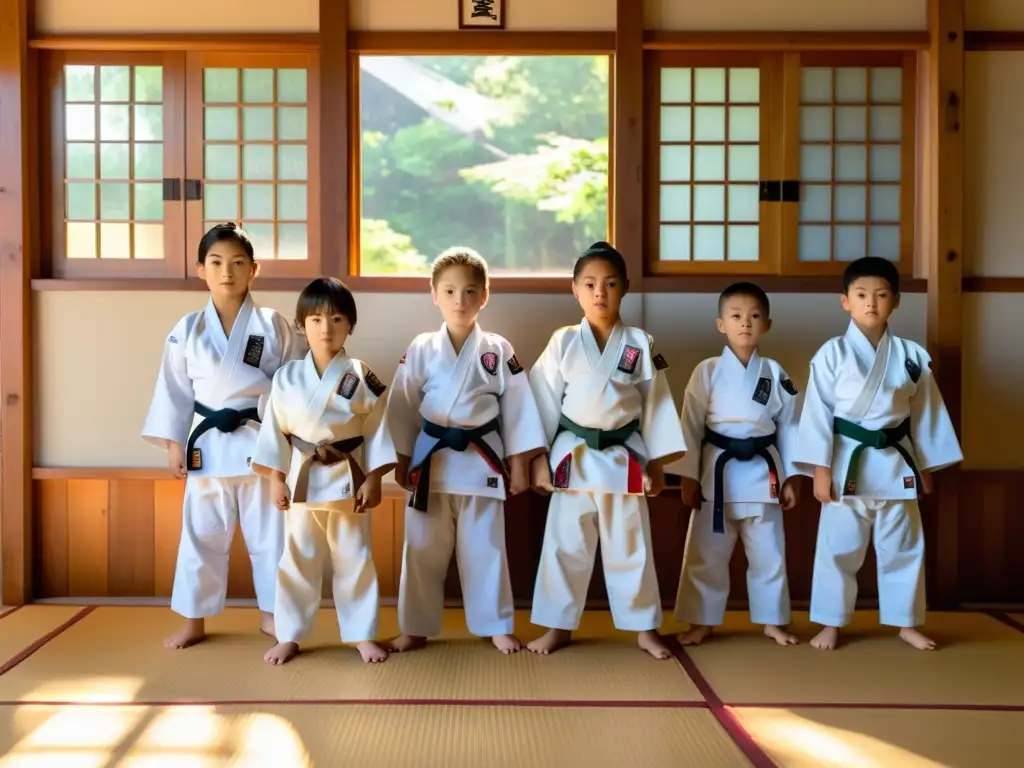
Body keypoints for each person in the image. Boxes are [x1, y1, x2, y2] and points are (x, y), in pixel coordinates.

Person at [141, 223, 304, 649]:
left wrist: (288, 446)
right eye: (216, 262)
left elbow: (293, 386)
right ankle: (194, 620)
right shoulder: (188, 328)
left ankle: (273, 615)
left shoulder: (274, 325)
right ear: (200, 269)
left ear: (254, 269)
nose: (226, 271)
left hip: (260, 442)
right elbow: (173, 390)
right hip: (208, 445)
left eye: (237, 263)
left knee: (270, 535)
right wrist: (175, 443)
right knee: (201, 535)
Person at [526, 241, 687, 659]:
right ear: (575, 290)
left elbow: (656, 403)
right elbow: (542, 401)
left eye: (611, 284)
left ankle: (644, 627)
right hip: (572, 455)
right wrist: (538, 460)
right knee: (565, 545)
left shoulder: (638, 342)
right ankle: (558, 626)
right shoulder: (562, 341)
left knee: (631, 545)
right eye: (591, 284)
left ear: (626, 288)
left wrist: (658, 461)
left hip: (624, 456)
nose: (601, 292)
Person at [794, 256, 963, 651]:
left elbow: (926, 415)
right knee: (838, 548)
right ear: (845, 302)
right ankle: (832, 624)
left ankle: (906, 622)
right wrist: (819, 468)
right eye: (862, 294)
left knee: (904, 547)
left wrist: (925, 465)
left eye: (882, 295)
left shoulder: (911, 356)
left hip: (896, 462)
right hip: (845, 461)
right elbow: (817, 414)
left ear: (896, 301)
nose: (871, 303)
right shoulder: (831, 354)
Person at [386, 247, 547, 655]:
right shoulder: (422, 347)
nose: (461, 301)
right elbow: (402, 406)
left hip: (482, 460)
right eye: (451, 291)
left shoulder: (498, 350)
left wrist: (520, 466)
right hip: (432, 462)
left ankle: (495, 624)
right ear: (434, 294)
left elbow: (518, 406)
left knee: (486, 549)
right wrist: (402, 461)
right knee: (421, 549)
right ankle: (415, 627)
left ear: (485, 296)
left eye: (470, 291)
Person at [252, 278, 397, 665]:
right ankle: (290, 634)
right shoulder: (286, 378)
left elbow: (379, 427)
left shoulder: (361, 376)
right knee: (297, 557)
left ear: (350, 324)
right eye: (315, 319)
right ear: (301, 325)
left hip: (348, 479)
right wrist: (275, 477)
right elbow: (275, 432)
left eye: (335, 318)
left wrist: (375, 477)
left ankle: (362, 634)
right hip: (302, 477)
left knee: (355, 557)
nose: (325, 328)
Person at [668, 282, 802, 647]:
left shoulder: (775, 373)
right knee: (705, 555)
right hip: (717, 473)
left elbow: (789, 426)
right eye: (737, 316)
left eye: (755, 316)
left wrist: (792, 477)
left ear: (767, 325)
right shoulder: (707, 371)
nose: (746, 323)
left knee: (769, 554)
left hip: (764, 473)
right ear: (720, 324)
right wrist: (687, 477)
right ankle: (701, 622)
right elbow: (690, 424)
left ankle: (773, 621)